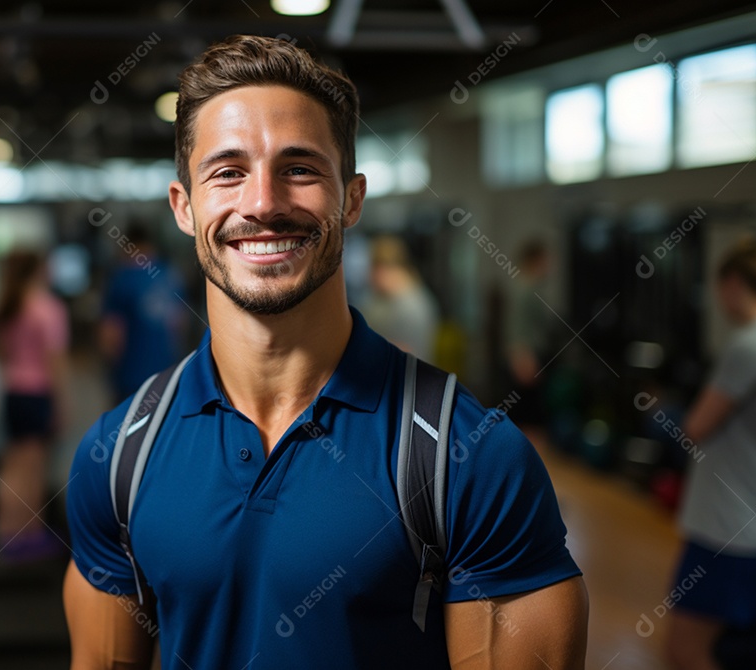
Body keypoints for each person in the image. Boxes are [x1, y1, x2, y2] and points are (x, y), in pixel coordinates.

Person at [63, 35, 587, 669]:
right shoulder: (119, 455)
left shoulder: (472, 459)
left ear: (352, 198)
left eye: (300, 169)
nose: (263, 203)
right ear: (184, 206)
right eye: (227, 172)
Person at [665, 238, 756, 670]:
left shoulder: (746, 347)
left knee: (685, 651)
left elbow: (696, 427)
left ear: (733, 284)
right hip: (745, 528)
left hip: (726, 531)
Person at [0, 250, 69, 561]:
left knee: (13, 465)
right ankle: (31, 534)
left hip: (13, 392)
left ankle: (7, 532)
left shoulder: (9, 306)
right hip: (38, 394)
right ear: (38, 270)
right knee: (34, 468)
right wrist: (61, 403)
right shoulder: (48, 308)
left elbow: (0, 354)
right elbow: (55, 362)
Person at [98, 222, 188, 403]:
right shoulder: (170, 275)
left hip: (131, 377)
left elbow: (110, 335)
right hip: (166, 374)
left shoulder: (122, 279)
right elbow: (180, 325)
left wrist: (108, 369)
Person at [360, 235, 439, 363]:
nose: (368, 277)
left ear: (382, 269)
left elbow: (406, 353)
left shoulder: (411, 306)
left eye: (371, 269)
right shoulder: (383, 299)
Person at [502, 239, 553, 435]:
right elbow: (516, 328)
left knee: (531, 416)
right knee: (527, 418)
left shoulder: (530, 287)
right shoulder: (524, 289)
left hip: (532, 357)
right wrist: (521, 358)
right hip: (526, 360)